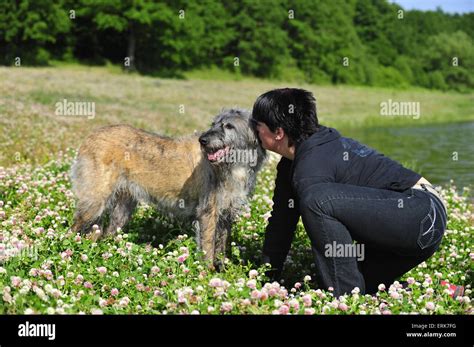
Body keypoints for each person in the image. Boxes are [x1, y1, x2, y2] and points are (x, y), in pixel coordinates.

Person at [251, 88, 454, 297]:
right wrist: (265, 281)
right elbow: (280, 227)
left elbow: (316, 204)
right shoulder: (294, 163)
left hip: (419, 212)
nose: (253, 130)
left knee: (317, 201)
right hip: (417, 221)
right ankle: (443, 293)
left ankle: (346, 300)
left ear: (278, 132)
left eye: (256, 124)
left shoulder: (311, 165)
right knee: (366, 287)